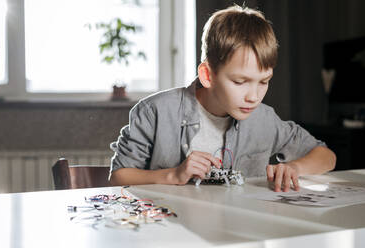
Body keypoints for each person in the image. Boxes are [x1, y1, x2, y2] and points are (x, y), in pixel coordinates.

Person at [109, 5, 336, 192]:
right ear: (207, 75)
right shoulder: (155, 112)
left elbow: (326, 157)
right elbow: (118, 177)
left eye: (264, 81)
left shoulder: (265, 119)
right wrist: (174, 175)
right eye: (240, 82)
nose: (253, 97)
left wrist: (294, 167)